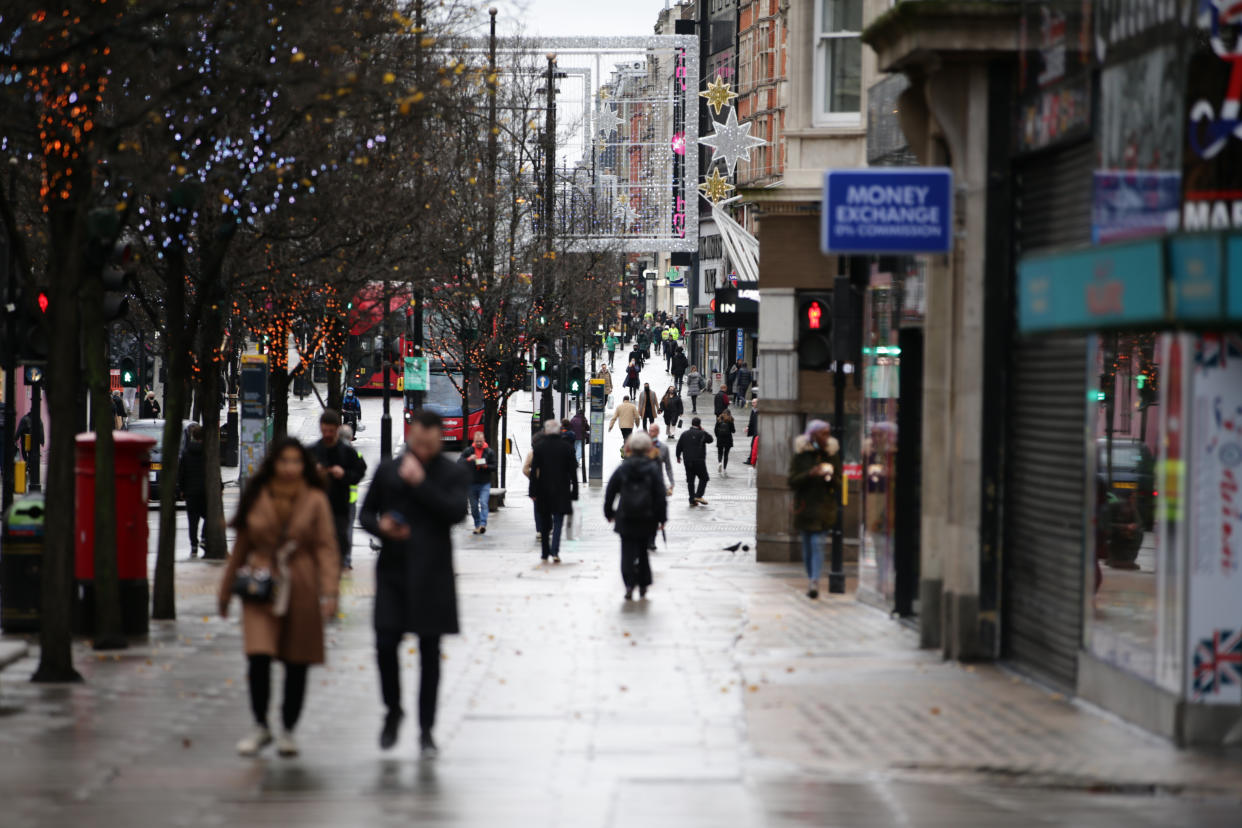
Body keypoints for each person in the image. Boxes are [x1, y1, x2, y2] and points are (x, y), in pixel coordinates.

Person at [218, 437, 340, 757]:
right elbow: (241, 546)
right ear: (274, 463)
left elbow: (327, 547)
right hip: (261, 586)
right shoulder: (258, 495)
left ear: (304, 466)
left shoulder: (314, 499)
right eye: (283, 461)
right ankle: (261, 725)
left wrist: (329, 592)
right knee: (258, 656)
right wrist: (225, 592)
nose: (289, 468)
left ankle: (288, 728)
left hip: (300, 586)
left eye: (295, 462)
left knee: (296, 660)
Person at [360, 409, 468, 759]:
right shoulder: (389, 469)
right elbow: (366, 512)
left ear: (439, 440)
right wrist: (382, 528)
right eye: (416, 443)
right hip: (393, 570)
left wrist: (420, 483)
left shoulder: (450, 472)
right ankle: (393, 709)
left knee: (429, 654)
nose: (421, 450)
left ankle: (426, 731)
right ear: (410, 437)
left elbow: (455, 512)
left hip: (433, 574)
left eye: (428, 444)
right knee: (385, 643)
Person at [604, 431, 667, 601]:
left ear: (630, 448)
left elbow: (610, 491)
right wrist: (661, 518)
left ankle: (629, 583)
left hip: (626, 516)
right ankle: (644, 583)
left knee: (627, 552)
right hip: (647, 517)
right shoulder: (652, 469)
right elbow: (660, 495)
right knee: (642, 551)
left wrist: (609, 513)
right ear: (647, 448)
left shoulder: (623, 468)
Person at [309, 409, 367, 571]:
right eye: (324, 430)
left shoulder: (347, 452)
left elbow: (359, 471)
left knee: (340, 538)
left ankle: (342, 562)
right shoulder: (313, 451)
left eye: (331, 431)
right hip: (317, 508)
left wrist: (344, 474)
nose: (327, 434)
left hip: (340, 506)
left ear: (337, 429)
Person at [787, 420, 840, 599]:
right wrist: (810, 474)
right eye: (823, 433)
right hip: (805, 508)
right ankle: (811, 576)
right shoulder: (801, 455)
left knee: (818, 544)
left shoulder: (831, 455)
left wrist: (830, 476)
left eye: (828, 433)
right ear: (814, 434)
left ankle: (814, 581)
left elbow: (840, 483)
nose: (826, 436)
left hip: (824, 509)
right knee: (807, 547)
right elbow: (791, 481)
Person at [528, 419, 578, 563]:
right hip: (561, 489)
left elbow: (534, 472)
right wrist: (575, 491)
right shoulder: (567, 447)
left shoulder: (539, 447)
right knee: (558, 521)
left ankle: (545, 551)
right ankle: (555, 550)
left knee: (544, 522)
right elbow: (573, 472)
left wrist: (533, 491)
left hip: (543, 489)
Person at [178, 424, 208, 557]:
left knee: (192, 521)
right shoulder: (207, 452)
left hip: (190, 492)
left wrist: (182, 490)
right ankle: (204, 538)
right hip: (204, 491)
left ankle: (194, 546)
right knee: (208, 516)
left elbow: (182, 473)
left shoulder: (186, 453)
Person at [458, 431, 495, 535]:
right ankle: (477, 525)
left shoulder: (489, 452)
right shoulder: (468, 451)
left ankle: (483, 524)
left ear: (484, 441)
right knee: (474, 507)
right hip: (471, 483)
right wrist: (469, 459)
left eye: (480, 441)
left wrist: (486, 466)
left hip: (484, 483)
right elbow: (459, 462)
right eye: (477, 441)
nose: (479, 443)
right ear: (474, 441)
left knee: (483, 503)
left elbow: (495, 466)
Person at [675, 416, 714, 506]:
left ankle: (692, 499)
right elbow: (710, 440)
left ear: (692, 424)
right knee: (704, 478)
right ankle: (698, 495)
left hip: (687, 460)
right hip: (699, 460)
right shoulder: (702, 433)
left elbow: (679, 446)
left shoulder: (684, 434)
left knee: (690, 480)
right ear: (699, 424)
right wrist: (703, 430)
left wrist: (678, 456)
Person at [339, 424, 360, 554]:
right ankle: (346, 558)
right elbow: (361, 472)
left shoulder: (331, 451)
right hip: (350, 498)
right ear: (351, 438)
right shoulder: (355, 454)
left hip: (335, 497)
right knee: (348, 528)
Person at [715, 409, 736, 474]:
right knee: (726, 454)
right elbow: (733, 431)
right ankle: (724, 469)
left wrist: (718, 436)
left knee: (720, 453)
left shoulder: (719, 419)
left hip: (720, 439)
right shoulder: (730, 420)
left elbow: (715, 429)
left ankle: (720, 463)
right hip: (728, 439)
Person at [745, 397, 759, 466]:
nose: (752, 404)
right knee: (752, 445)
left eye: (754, 402)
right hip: (754, 431)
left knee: (755, 446)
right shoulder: (753, 410)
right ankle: (750, 459)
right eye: (752, 402)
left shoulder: (759, 411)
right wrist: (748, 427)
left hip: (758, 432)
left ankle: (751, 460)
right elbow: (751, 421)